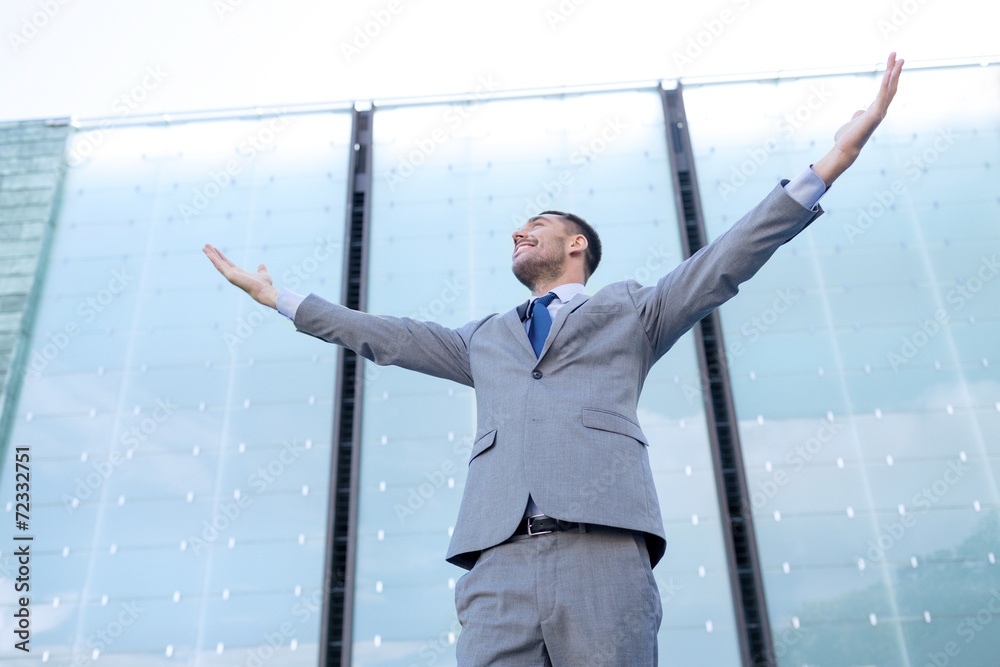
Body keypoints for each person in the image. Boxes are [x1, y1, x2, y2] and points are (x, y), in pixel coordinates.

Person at [204, 53, 904, 665]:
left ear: (577, 246)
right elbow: (386, 335)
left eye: (535, 226)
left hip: (603, 553)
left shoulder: (635, 310)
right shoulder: (484, 338)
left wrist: (833, 160)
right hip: (496, 560)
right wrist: (281, 298)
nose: (520, 231)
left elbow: (731, 255)